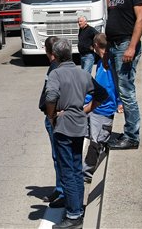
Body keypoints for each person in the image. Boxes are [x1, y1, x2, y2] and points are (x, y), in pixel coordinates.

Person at [45, 38, 108, 229]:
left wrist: (52, 116)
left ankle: (73, 216)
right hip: (79, 126)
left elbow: (50, 96)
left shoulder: (56, 74)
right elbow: (102, 94)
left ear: (54, 56)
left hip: (64, 127)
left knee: (67, 172)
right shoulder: (82, 73)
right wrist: (85, 110)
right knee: (75, 168)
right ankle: (77, 209)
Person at [105, 0, 142, 150]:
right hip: (114, 45)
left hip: (125, 45)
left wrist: (132, 46)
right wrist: (106, 49)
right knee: (121, 91)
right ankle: (128, 132)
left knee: (126, 91)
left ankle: (132, 136)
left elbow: (140, 20)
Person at [83, 33, 123, 183]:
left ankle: (86, 174)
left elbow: (103, 88)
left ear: (96, 47)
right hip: (100, 108)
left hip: (103, 109)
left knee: (96, 142)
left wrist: (118, 102)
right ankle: (87, 172)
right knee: (95, 139)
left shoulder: (107, 64)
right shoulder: (105, 62)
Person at [38, 36, 63, 208]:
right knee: (58, 156)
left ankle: (62, 192)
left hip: (54, 118)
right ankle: (59, 188)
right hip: (53, 116)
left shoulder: (55, 68)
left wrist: (51, 116)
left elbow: (51, 95)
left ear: (50, 52)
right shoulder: (56, 66)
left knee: (59, 156)